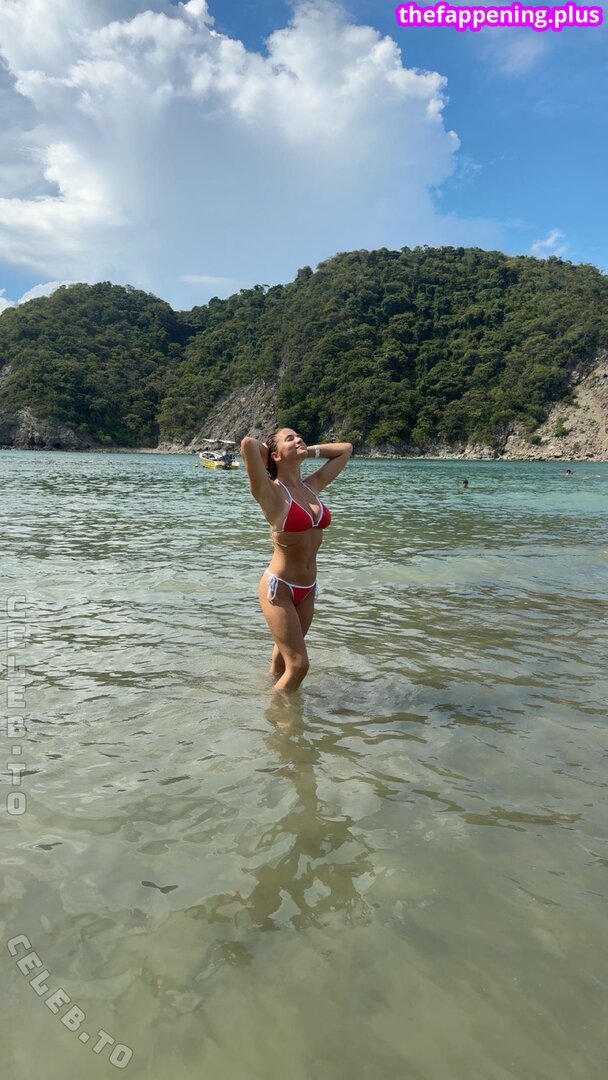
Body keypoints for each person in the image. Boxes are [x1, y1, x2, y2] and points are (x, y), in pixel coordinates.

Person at [240, 428, 352, 692]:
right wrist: (272, 454)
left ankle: (269, 693)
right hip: (279, 589)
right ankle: (276, 712)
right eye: (290, 438)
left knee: (283, 658)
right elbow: (248, 444)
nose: (299, 439)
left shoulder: (311, 486)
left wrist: (303, 451)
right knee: (299, 665)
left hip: (308, 589)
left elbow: (345, 450)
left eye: (299, 436)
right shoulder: (270, 493)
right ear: (275, 455)